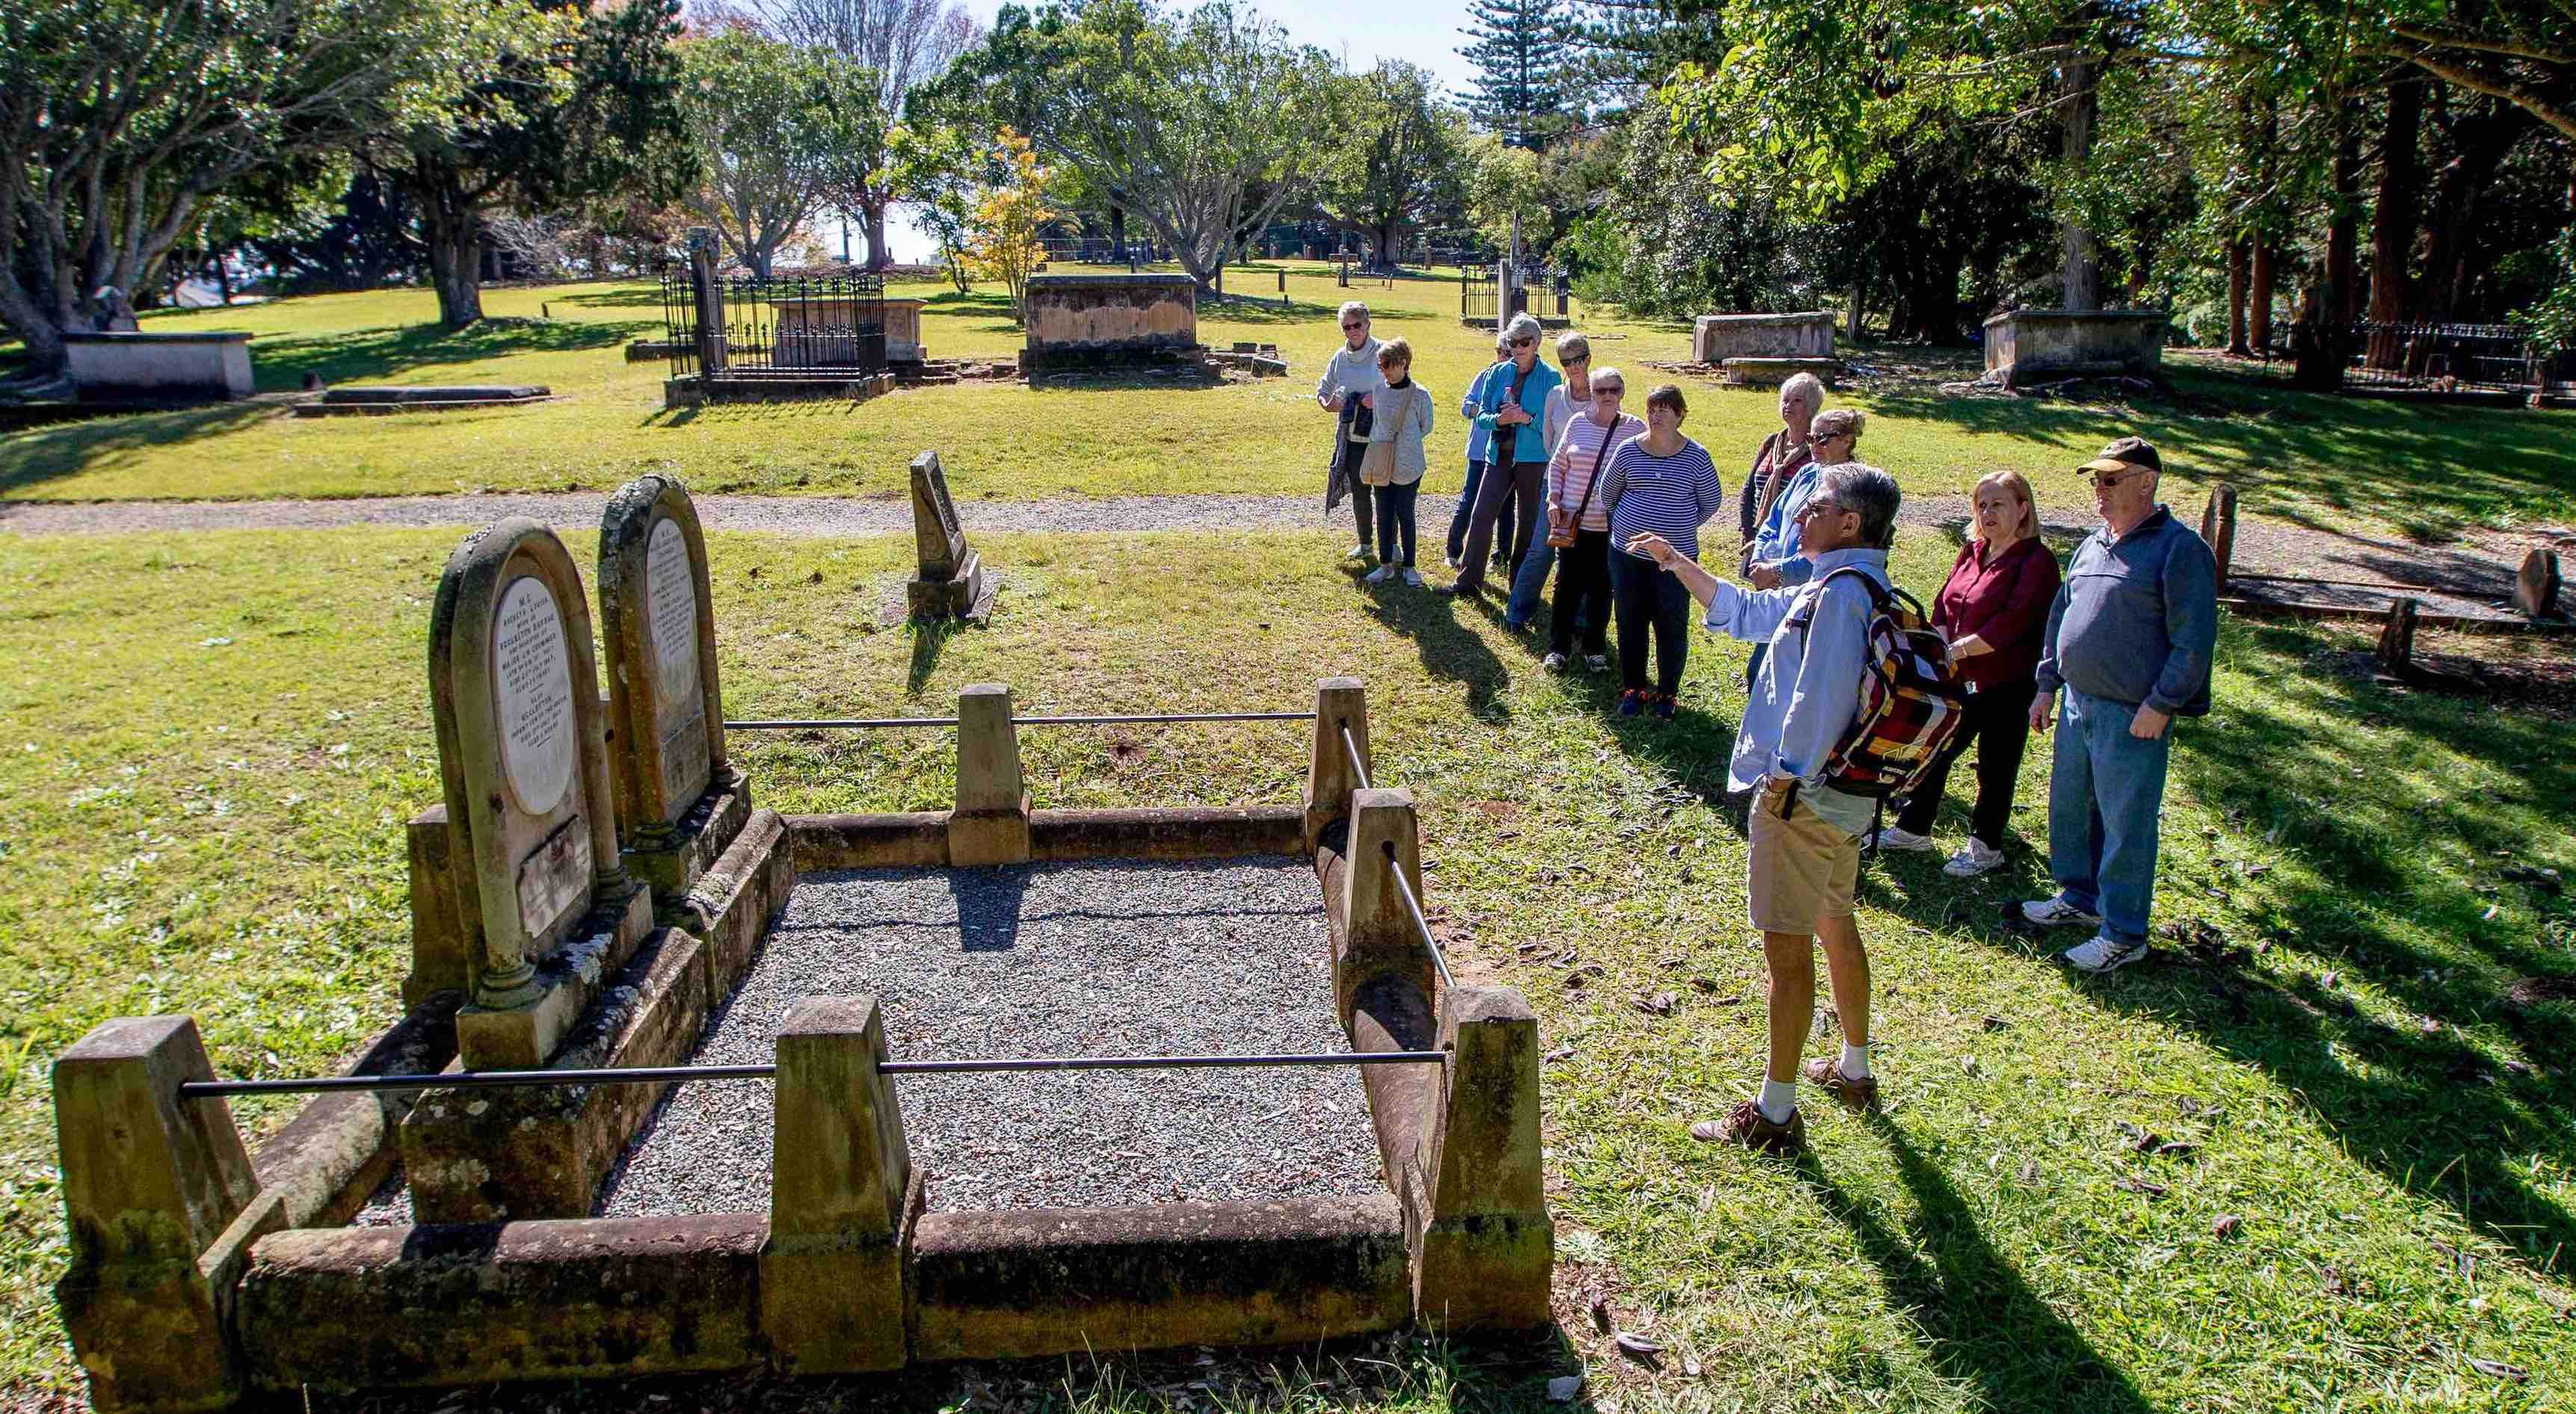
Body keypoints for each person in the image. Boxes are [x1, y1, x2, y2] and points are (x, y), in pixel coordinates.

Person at [1630, 463, 1908, 1152]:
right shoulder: (1849, 584)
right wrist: (1677, 562)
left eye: (1815, 505)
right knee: (1833, 921)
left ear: (1849, 522)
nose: (1802, 514)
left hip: (1805, 799)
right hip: (1842, 799)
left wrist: (1784, 781)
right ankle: (1853, 1069)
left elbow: (1820, 698)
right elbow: (1747, 615)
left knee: (1786, 952)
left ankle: (1775, 1115)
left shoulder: (1840, 596)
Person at [2020, 436, 2219, 974]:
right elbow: (2061, 619)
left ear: (2147, 483)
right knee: (2071, 808)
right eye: (2096, 481)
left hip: (2134, 712)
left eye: (2111, 480)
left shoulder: (2180, 550)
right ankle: (2080, 899)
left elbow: (2194, 639)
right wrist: (2047, 684)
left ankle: (2125, 932)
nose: (2099, 491)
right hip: (2078, 703)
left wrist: (2162, 702)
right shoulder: (2092, 544)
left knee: (2126, 822)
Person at [1871, 471, 2060, 874]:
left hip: (2006, 682)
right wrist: (1940, 643)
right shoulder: (1973, 550)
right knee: (1936, 749)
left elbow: (2013, 622)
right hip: (1959, 677)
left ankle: (1986, 846)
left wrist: (1956, 650)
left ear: (2023, 508)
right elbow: (1944, 603)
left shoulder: (2036, 561)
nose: (1988, 513)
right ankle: (1914, 829)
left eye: (1999, 504)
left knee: (1996, 766)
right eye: (1983, 505)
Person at [1599, 383, 1725, 719]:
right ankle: (1634, 689)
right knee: (1630, 622)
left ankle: (1667, 694)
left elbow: (1710, 502)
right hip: (1628, 557)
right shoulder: (1628, 450)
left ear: (1680, 414)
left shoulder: (1696, 456)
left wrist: (1676, 528)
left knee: (1671, 625)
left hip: (1675, 562)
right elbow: (1607, 494)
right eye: (1652, 408)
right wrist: (1629, 524)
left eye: (1664, 409)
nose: (1655, 415)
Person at [1735, 408, 1864, 691]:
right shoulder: (1806, 472)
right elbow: (1775, 517)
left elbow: (1833, 550)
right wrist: (1760, 561)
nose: (1813, 446)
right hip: (1776, 583)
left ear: (1847, 440)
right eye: (1810, 438)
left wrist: (1780, 571)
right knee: (1761, 667)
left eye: (1822, 439)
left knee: (1790, 671)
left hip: (1817, 592)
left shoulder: (1856, 488)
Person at [1438, 313, 1562, 599]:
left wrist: (1525, 418)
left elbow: (1551, 421)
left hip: (1533, 459)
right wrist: (1500, 420)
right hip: (1498, 456)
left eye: (1524, 342)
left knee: (1527, 523)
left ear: (1537, 342)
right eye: (1513, 342)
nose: (1518, 347)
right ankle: (1468, 583)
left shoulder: (1551, 377)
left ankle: (1519, 584)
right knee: (1481, 517)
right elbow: (1481, 416)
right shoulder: (1496, 373)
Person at [1538, 365, 1641, 672]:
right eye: (1601, 390)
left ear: (1622, 392)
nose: (1608, 396)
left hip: (1612, 527)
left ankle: (1595, 648)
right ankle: (1558, 649)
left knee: (1602, 589)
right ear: (1592, 393)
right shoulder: (1577, 423)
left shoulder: (1635, 429)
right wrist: (1553, 498)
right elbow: (1557, 465)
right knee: (1566, 587)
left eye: (1614, 390)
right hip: (1573, 522)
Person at [1503, 332, 1596, 632]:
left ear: (1589, 358)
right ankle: (1517, 612)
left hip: (1592, 489)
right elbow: (1548, 442)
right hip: (1556, 483)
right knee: (1541, 549)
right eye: (1566, 361)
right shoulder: (1555, 395)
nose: (1573, 367)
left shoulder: (1603, 394)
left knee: (1584, 556)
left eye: (1578, 359)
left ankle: (1582, 622)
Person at [1359, 338, 1434, 586]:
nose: (1384, 371)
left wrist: (1405, 444)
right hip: (1382, 464)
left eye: (1388, 365)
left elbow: (1426, 426)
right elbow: (1378, 423)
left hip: (1409, 465)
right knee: (1383, 513)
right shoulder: (1379, 391)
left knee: (1405, 513)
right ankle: (1385, 565)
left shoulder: (1421, 394)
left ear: (1403, 363)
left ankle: (1410, 566)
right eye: (1380, 366)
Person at [1316, 301, 1385, 564]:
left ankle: (1391, 546)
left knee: (1385, 493)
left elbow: (1403, 386)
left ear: (1368, 324)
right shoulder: (1339, 358)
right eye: (1347, 326)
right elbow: (1323, 389)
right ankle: (1366, 544)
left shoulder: (1383, 351)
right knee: (1360, 492)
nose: (1353, 330)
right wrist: (1327, 404)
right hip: (1353, 437)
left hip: (1381, 437)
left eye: (1357, 324)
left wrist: (1376, 398)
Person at [1737, 371, 1825, 552]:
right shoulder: (1772, 442)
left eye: (1797, 401)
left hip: (1795, 542)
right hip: (1759, 537)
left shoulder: (1818, 449)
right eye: (1785, 400)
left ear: (1811, 406)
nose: (1788, 405)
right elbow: (1749, 489)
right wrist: (1748, 533)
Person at [1448, 333, 1513, 569]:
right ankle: (1453, 550)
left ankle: (1502, 558)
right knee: (1469, 501)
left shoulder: (1521, 379)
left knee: (1506, 507)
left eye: (1507, 352)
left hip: (1507, 453)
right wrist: (1489, 414)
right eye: (1499, 351)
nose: (1502, 356)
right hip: (1479, 451)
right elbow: (1466, 406)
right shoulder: (1484, 376)